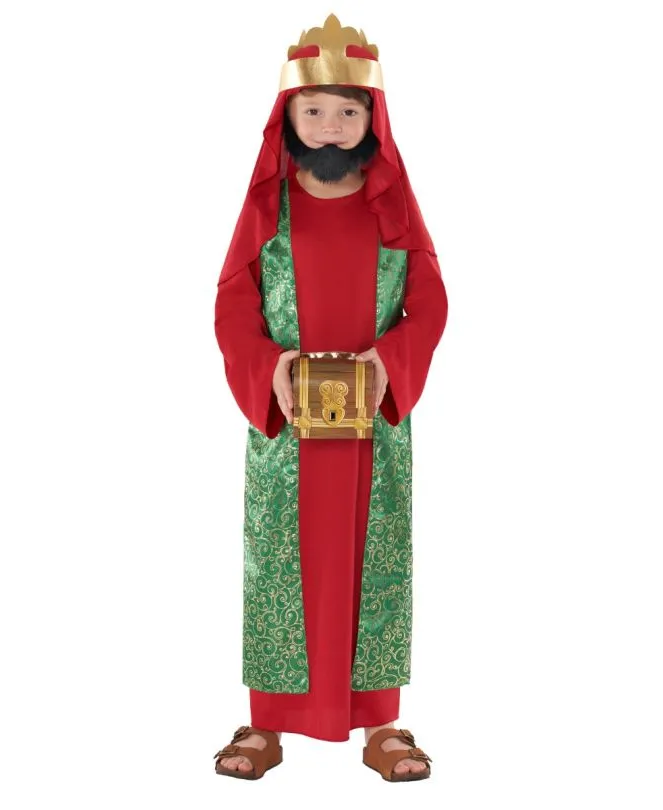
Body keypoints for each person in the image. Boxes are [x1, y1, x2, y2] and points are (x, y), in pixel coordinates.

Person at [213, 14, 448, 782]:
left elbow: (431, 301)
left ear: (373, 119)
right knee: (280, 568)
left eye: (349, 110)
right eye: (313, 109)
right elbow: (232, 304)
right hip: (287, 428)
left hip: (373, 425)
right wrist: (269, 368)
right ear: (287, 116)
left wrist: (391, 362)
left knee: (375, 566)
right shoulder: (268, 208)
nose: (331, 124)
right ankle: (267, 722)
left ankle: (382, 722)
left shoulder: (392, 207)